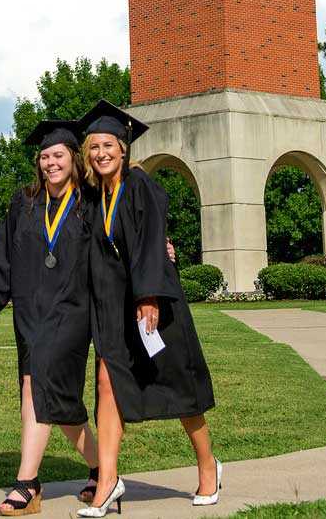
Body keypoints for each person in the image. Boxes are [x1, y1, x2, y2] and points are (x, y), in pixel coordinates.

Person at [75, 101, 219, 518]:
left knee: (178, 388)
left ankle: (208, 466)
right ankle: (107, 484)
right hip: (113, 312)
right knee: (107, 383)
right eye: (94, 147)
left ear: (123, 148)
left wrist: (150, 295)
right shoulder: (94, 195)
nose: (101, 153)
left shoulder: (141, 186)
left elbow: (154, 239)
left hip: (154, 308)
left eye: (108, 145)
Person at [0, 120, 101, 516]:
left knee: (36, 386)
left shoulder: (90, 204)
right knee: (57, 401)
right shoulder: (25, 202)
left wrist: (157, 249)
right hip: (31, 313)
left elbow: (122, 242)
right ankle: (102, 469)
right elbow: (3, 253)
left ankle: (27, 484)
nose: (50, 163)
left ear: (73, 159)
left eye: (58, 155)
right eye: (45, 156)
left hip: (72, 312)